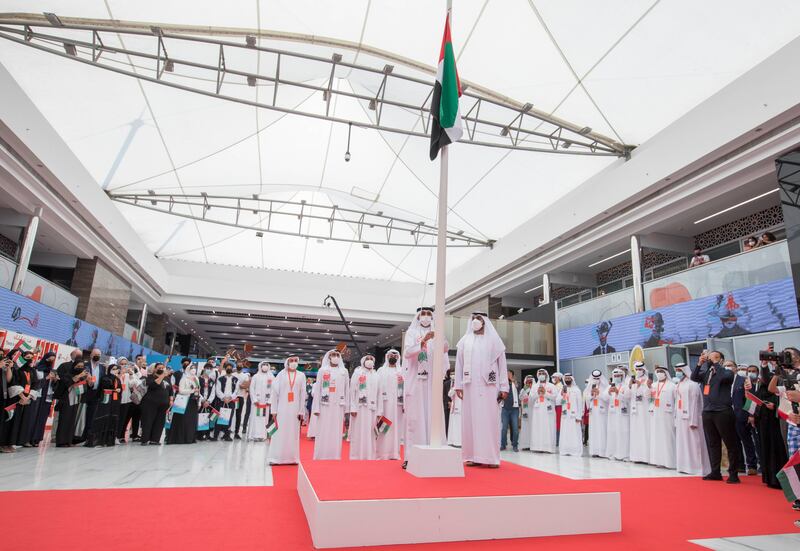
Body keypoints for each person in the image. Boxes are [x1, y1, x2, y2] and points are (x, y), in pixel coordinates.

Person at [454, 312, 509, 468]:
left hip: (489, 387)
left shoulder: (494, 341)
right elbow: (459, 364)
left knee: (489, 420)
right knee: (470, 421)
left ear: (485, 321)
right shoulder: (464, 341)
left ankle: (491, 457)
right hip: (469, 386)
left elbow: (502, 365)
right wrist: (458, 385)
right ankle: (471, 456)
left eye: (479, 318)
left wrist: (504, 386)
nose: (476, 321)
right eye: (473, 318)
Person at [402, 306, 447, 469]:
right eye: (423, 314)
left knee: (433, 416)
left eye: (429, 314)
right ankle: (411, 456)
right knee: (415, 418)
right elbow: (407, 353)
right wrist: (423, 341)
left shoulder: (438, 332)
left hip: (432, 382)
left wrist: (440, 341)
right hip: (416, 381)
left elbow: (444, 351)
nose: (426, 317)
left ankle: (435, 454)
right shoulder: (412, 332)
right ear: (418, 316)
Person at [691, 350, 740, 483]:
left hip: (723, 411)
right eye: (711, 357)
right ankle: (715, 472)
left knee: (730, 443)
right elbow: (694, 377)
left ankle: (733, 473)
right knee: (713, 443)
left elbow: (726, 377)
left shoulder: (727, 372)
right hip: (708, 412)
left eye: (716, 357)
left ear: (721, 360)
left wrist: (716, 363)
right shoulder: (707, 374)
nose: (712, 359)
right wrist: (699, 364)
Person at [749, 363, 787, 489]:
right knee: (765, 448)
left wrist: (774, 406)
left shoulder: (779, 381)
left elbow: (782, 398)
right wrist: (753, 415)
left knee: (776, 449)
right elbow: (753, 399)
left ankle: (778, 479)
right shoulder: (757, 384)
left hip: (775, 421)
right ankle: (768, 477)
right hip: (762, 421)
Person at [267, 356, 306, 465]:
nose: (293, 362)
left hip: (295, 410)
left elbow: (303, 394)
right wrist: (273, 410)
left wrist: (301, 411)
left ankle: (292, 458)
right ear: (287, 362)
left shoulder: (301, 375)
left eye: (295, 361)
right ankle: (276, 458)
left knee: (293, 433)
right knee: (279, 433)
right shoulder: (281, 374)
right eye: (291, 361)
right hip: (282, 409)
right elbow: (274, 393)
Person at [674, 362, 710, 476]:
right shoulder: (680, 383)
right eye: (676, 370)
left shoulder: (693, 384)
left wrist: (694, 420)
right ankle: (684, 465)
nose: (677, 373)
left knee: (694, 443)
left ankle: (697, 467)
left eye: (679, 370)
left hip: (691, 418)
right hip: (681, 417)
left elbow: (696, 404)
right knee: (683, 443)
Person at [312, 349, 350, 459]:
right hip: (324, 405)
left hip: (338, 405)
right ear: (329, 357)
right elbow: (318, 389)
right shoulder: (322, 370)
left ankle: (334, 455)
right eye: (333, 355)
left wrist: (347, 408)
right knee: (323, 430)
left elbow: (347, 389)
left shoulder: (344, 371)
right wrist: (316, 408)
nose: (336, 357)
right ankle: (321, 455)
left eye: (338, 355)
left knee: (336, 431)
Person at [1, 348, 40, 449]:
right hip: (15, 398)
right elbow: (13, 382)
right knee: (11, 421)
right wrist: (22, 396)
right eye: (27, 358)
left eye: (31, 358)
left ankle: (15, 442)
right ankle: (5, 443)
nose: (30, 360)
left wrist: (29, 397)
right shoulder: (17, 369)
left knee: (21, 422)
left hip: (26, 400)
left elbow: (36, 384)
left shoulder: (32, 371)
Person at [349, 355, 380, 460]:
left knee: (371, 432)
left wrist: (380, 410)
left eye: (372, 359)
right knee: (359, 431)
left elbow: (379, 394)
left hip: (372, 408)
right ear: (363, 361)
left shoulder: (376, 375)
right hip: (359, 408)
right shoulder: (357, 373)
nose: (370, 361)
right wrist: (352, 407)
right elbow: (352, 391)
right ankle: (356, 455)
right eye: (368, 359)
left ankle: (370, 455)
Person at [376, 349, 403, 460]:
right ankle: (381, 453)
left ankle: (394, 453)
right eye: (391, 355)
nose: (393, 357)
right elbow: (376, 388)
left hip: (397, 405)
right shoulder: (381, 371)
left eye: (395, 355)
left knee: (396, 428)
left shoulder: (401, 371)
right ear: (387, 356)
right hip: (384, 405)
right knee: (383, 428)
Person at [732, 363, 759, 475]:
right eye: (740, 369)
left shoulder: (745, 381)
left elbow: (750, 398)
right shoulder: (731, 381)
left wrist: (751, 415)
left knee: (748, 442)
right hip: (733, 415)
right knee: (736, 442)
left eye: (744, 369)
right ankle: (740, 465)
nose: (741, 371)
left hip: (745, 416)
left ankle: (752, 465)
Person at [649, 365, 676, 469]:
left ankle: (670, 462)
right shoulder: (654, 385)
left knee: (668, 437)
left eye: (661, 371)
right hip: (655, 414)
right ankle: (659, 461)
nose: (659, 373)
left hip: (668, 415)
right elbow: (650, 398)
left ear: (666, 373)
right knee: (658, 437)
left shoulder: (672, 385)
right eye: (658, 371)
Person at [28, 351, 57, 447]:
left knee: (42, 418)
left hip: (46, 399)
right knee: (33, 417)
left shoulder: (52, 370)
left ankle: (37, 439)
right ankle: (28, 438)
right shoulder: (37, 369)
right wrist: (47, 378)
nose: (50, 361)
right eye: (49, 359)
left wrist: (55, 381)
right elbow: (35, 383)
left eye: (53, 360)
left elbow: (54, 387)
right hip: (37, 397)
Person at [91, 360, 122, 447]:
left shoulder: (117, 379)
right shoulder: (105, 378)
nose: (115, 370)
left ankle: (109, 440)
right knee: (103, 419)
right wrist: (114, 388)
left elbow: (120, 389)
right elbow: (105, 387)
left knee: (112, 419)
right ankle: (98, 440)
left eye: (116, 369)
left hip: (114, 402)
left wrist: (119, 390)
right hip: (105, 401)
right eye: (113, 369)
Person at [139, 363, 172, 446]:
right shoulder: (150, 377)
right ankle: (145, 439)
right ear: (154, 369)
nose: (161, 369)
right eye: (159, 368)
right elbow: (153, 385)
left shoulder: (167, 378)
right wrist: (162, 376)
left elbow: (170, 390)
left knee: (160, 422)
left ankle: (155, 439)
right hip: (150, 403)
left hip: (163, 404)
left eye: (162, 367)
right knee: (148, 421)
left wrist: (171, 399)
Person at [167, 361, 199, 445]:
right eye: (191, 368)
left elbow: (198, 390)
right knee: (182, 420)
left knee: (191, 421)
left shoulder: (196, 378)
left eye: (194, 368)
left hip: (193, 402)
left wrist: (199, 398)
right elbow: (181, 390)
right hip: (184, 402)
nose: (193, 370)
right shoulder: (184, 378)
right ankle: (180, 438)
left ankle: (189, 438)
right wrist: (192, 391)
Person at [605, 367, 631, 461]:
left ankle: (624, 455)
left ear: (622, 376)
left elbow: (627, 398)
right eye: (615, 376)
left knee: (623, 433)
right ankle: (613, 453)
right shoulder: (610, 387)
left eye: (618, 376)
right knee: (613, 433)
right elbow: (605, 398)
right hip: (612, 415)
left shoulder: (625, 386)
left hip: (623, 414)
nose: (616, 377)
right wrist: (609, 392)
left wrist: (617, 392)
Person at [528, 368, 556, 453]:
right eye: (539, 373)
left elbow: (555, 398)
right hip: (537, 411)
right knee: (538, 428)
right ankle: (537, 447)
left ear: (546, 375)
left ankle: (548, 448)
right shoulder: (534, 386)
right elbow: (531, 399)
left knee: (548, 428)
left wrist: (545, 393)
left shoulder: (551, 386)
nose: (541, 374)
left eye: (543, 373)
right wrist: (538, 393)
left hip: (548, 412)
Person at [81, 348, 105, 446]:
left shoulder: (102, 368)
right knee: (82, 415)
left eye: (99, 354)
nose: (97, 356)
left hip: (96, 393)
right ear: (91, 355)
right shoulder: (85, 365)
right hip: (85, 392)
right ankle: (79, 436)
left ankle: (88, 436)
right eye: (95, 354)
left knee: (92, 416)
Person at [628, 362, 651, 463]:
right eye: (636, 369)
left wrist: (640, 386)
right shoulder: (632, 381)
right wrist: (629, 386)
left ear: (644, 370)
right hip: (634, 411)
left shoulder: (647, 380)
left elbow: (648, 395)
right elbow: (628, 396)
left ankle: (645, 457)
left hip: (644, 411)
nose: (638, 371)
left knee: (644, 432)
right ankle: (636, 457)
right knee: (636, 432)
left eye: (640, 369)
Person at [584, 369, 609, 458]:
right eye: (594, 378)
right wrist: (591, 394)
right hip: (593, 412)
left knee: (602, 430)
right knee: (593, 430)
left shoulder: (605, 386)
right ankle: (594, 451)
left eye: (598, 378)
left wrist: (600, 393)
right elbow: (586, 398)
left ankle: (602, 451)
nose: (596, 379)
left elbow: (607, 398)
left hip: (602, 412)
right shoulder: (590, 386)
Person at [247, 361, 274, 441]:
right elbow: (251, 388)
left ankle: (263, 436)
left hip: (266, 403)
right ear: (260, 366)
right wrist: (254, 400)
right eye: (263, 365)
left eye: (266, 365)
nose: (265, 366)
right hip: (256, 403)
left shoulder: (271, 377)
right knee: (255, 418)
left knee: (264, 419)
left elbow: (273, 390)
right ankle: (253, 435)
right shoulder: (256, 376)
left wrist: (270, 400)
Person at [213, 360, 240, 441]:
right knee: (218, 417)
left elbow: (236, 391)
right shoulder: (220, 379)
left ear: (232, 369)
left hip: (231, 401)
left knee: (229, 418)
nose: (229, 368)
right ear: (225, 368)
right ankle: (215, 435)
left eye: (230, 367)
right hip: (221, 401)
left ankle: (226, 435)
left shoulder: (236, 379)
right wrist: (223, 398)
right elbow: (217, 390)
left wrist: (230, 398)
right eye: (227, 367)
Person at [559, 373, 583, 457]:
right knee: (565, 432)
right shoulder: (562, 389)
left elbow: (580, 403)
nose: (567, 380)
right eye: (566, 378)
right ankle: (565, 450)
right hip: (565, 415)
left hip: (574, 415)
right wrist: (562, 394)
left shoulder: (577, 390)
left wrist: (579, 416)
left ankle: (575, 451)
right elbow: (558, 402)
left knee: (574, 433)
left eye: (569, 378)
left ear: (572, 379)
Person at [500, 370, 520, 452]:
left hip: (514, 409)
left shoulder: (515, 383)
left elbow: (518, 388)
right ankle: (503, 444)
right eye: (507, 374)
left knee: (515, 428)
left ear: (512, 375)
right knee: (504, 428)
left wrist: (513, 381)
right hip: (505, 409)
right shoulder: (502, 384)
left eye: (509, 374)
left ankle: (515, 445)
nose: (508, 375)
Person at [234, 362, 251, 439]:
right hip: (232, 397)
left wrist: (240, 386)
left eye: (240, 365)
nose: (239, 366)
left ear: (243, 366)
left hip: (240, 397)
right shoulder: (233, 374)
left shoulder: (245, 376)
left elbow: (246, 386)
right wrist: (240, 385)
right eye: (238, 365)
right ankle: (227, 431)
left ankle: (236, 432)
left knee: (238, 414)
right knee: (231, 414)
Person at [518, 375, 533, 451]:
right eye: (528, 381)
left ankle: (532, 444)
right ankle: (525, 445)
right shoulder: (523, 389)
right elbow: (520, 397)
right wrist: (524, 390)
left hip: (532, 412)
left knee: (532, 428)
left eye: (530, 381)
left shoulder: (535, 389)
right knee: (525, 428)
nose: (529, 383)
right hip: (525, 411)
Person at [446, 379, 462, 447]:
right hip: (454, 408)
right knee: (453, 425)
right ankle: (452, 441)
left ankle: (458, 441)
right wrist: (455, 387)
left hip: (461, 407)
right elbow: (449, 394)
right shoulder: (454, 387)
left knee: (459, 425)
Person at [551, 372, 564, 443]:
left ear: (559, 378)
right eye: (553, 377)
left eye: (554, 377)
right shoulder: (553, 386)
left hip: (558, 406)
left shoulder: (561, 386)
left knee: (558, 423)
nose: (553, 379)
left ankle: (557, 440)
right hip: (553, 406)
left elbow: (559, 398)